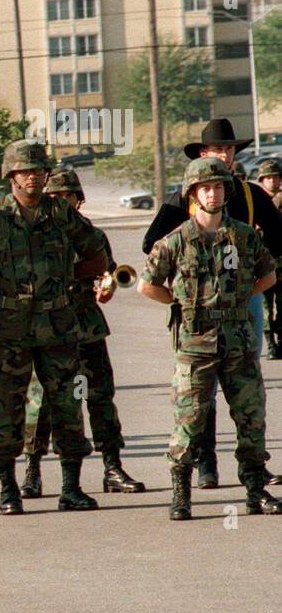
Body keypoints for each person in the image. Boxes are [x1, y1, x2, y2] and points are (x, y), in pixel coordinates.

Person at [0, 140, 109, 514]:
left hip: (58, 327)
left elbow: (96, 253)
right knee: (6, 409)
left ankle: (71, 488)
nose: (33, 177)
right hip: (7, 329)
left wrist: (68, 277)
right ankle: (9, 489)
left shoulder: (62, 215)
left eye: (38, 171)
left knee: (68, 405)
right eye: (25, 171)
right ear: (11, 176)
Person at [137, 157, 282, 519]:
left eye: (217, 187)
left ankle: (254, 490)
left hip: (238, 341)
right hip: (195, 344)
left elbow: (269, 275)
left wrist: (241, 296)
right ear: (193, 195)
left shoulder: (244, 237)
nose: (212, 193)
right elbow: (147, 285)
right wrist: (181, 305)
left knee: (251, 418)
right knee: (189, 420)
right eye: (205, 188)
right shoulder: (175, 241)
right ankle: (181, 493)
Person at [21, 168, 145, 497]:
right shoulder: (34, 234)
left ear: (79, 199)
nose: (64, 201)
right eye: (56, 196)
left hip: (87, 327)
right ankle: (32, 468)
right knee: (41, 402)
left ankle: (112, 467)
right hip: (46, 331)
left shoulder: (91, 234)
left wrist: (107, 288)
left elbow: (109, 271)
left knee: (101, 398)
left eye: (69, 196)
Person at [255, 158, 282, 361]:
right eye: (269, 177)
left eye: (276, 177)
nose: (273, 181)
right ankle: (270, 344)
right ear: (262, 180)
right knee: (265, 306)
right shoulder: (256, 201)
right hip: (263, 263)